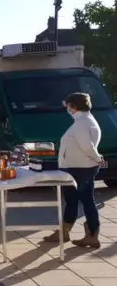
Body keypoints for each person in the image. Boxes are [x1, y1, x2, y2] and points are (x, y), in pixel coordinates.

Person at [43, 92, 104, 248]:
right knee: (72, 200)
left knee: (86, 201)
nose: (66, 108)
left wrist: (98, 159)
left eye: (68, 105)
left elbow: (87, 147)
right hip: (77, 168)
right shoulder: (85, 120)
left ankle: (91, 235)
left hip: (81, 169)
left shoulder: (82, 123)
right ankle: (64, 232)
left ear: (74, 107)